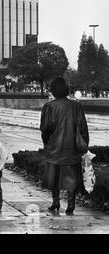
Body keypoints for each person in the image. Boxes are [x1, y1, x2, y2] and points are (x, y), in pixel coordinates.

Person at [40, 77, 89, 215]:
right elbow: (83, 128)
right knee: (71, 179)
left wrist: (46, 143)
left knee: (54, 177)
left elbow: (45, 129)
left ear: (53, 90)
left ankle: (55, 202)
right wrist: (83, 145)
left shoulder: (49, 107)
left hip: (54, 149)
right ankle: (71, 205)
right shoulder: (76, 106)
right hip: (71, 149)